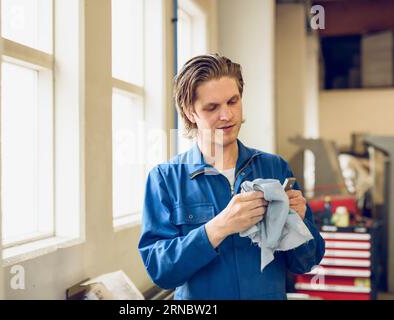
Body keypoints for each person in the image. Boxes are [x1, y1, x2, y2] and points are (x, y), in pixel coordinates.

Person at [138, 54, 325, 300]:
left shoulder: (275, 169)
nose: (226, 115)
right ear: (190, 112)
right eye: (212, 107)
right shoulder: (165, 179)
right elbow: (161, 272)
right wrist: (218, 228)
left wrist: (299, 222)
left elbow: (306, 263)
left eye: (233, 101)